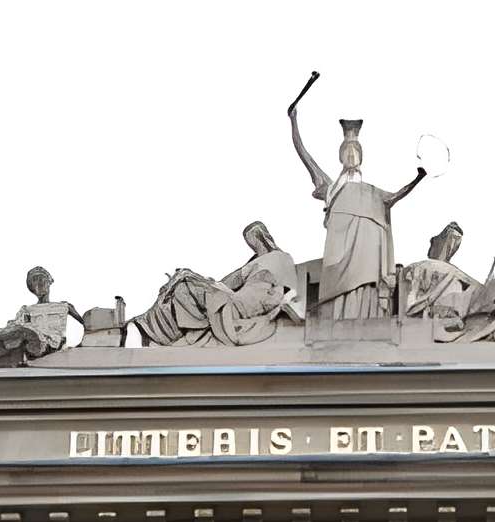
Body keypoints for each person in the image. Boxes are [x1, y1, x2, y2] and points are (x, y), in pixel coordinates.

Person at [288, 79, 425, 319]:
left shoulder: (374, 194)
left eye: (355, 152)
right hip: (339, 249)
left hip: (367, 248)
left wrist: (417, 179)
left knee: (366, 281)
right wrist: (294, 121)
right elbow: (304, 155)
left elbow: (396, 196)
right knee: (337, 286)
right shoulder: (330, 187)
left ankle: (367, 317)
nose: (351, 156)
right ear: (341, 156)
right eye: (347, 152)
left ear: (361, 157)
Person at [134, 223, 307, 348]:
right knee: (186, 284)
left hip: (236, 308)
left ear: (257, 240)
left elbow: (226, 284)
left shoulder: (261, 263)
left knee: (184, 286)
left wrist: (200, 280)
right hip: (244, 303)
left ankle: (154, 333)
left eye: (252, 240)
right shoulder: (285, 258)